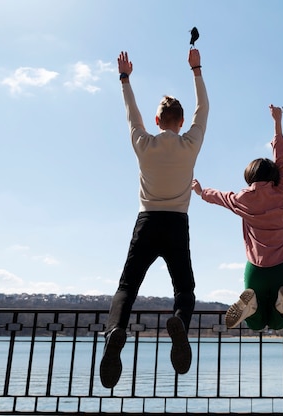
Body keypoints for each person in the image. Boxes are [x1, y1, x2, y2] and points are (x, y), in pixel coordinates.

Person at [100, 48, 209, 389]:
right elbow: (203, 109)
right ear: (180, 122)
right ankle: (178, 322)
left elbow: (131, 114)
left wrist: (125, 78)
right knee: (185, 290)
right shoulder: (191, 143)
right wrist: (196, 69)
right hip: (177, 224)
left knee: (127, 287)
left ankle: (116, 330)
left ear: (159, 121)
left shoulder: (144, 144)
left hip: (146, 222)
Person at [191, 105, 283, 331]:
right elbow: (281, 157)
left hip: (256, 268)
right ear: (275, 175)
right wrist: (277, 122)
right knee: (276, 322)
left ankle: (250, 305)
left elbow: (222, 197)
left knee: (256, 323)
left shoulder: (244, 199)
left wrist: (202, 192)